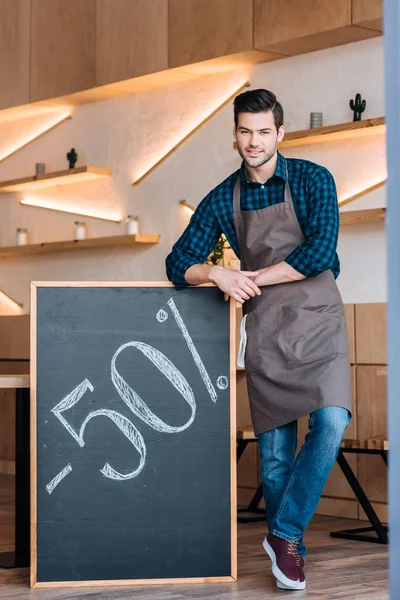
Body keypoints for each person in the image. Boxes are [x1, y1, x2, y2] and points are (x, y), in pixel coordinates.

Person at [165, 89, 352, 591]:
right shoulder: (223, 198)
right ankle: (288, 551)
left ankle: (284, 534)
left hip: (319, 322)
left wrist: (252, 277)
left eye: (264, 131)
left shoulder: (314, 180)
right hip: (267, 330)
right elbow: (176, 263)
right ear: (235, 134)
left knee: (332, 421)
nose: (254, 141)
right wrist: (217, 275)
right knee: (273, 457)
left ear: (280, 133)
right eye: (245, 131)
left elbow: (319, 252)